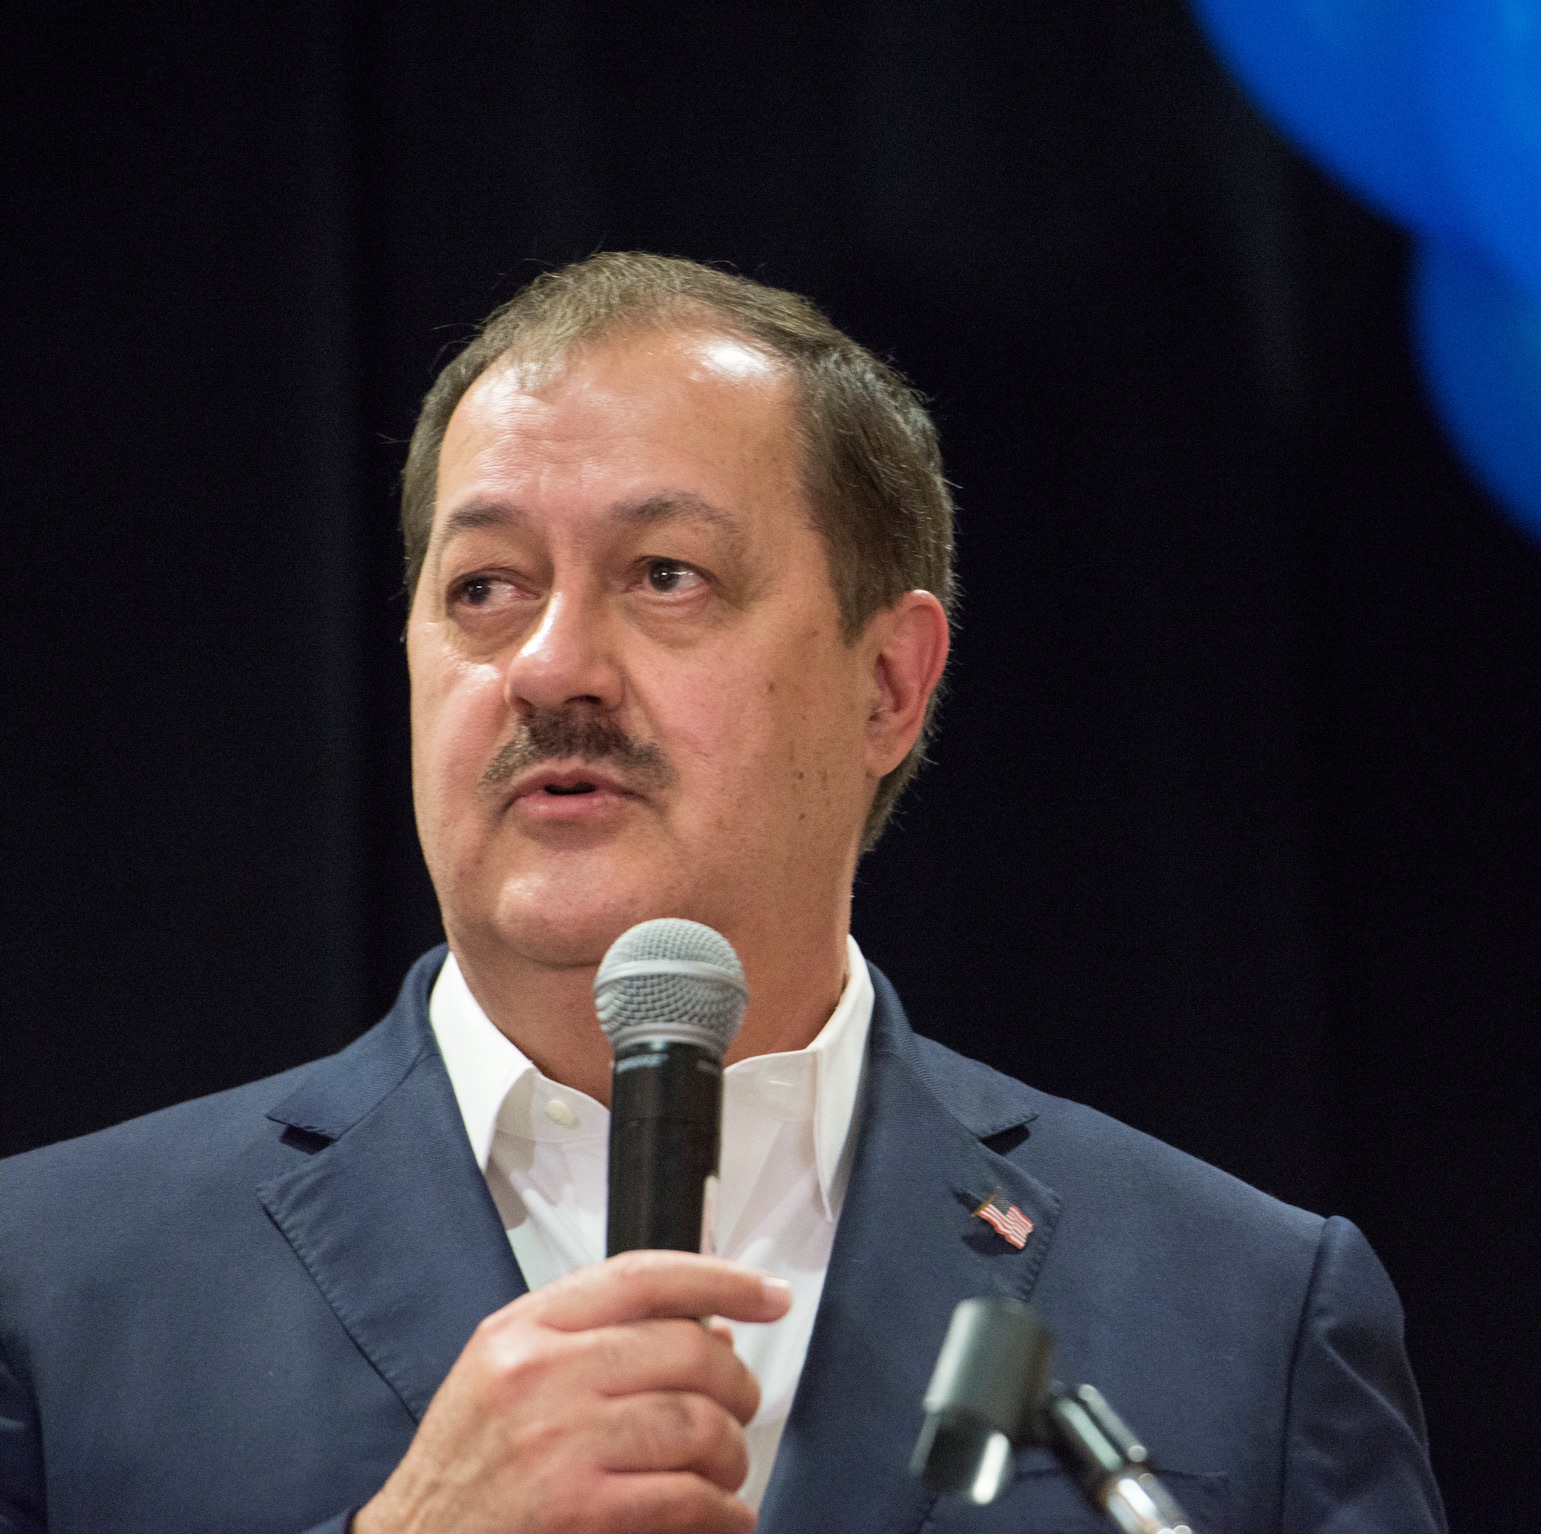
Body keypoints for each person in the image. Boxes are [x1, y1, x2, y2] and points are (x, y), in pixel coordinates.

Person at [0, 253, 1444, 1534]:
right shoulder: (52, 1290)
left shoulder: (1243, 1312)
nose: (552, 664)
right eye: (484, 587)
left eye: (665, 574)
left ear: (888, 684)